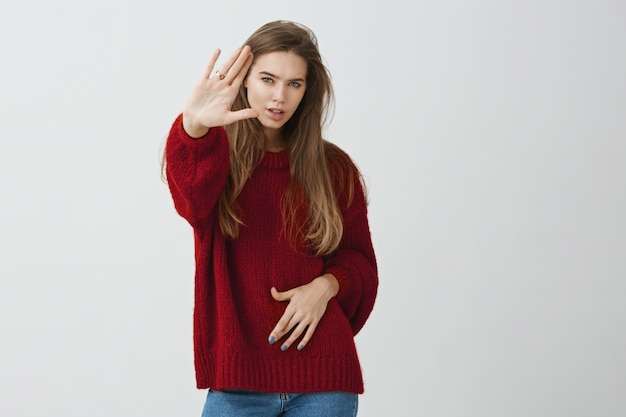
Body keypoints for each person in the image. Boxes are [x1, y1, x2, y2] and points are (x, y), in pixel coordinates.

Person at [163, 20, 378, 416]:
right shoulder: (213, 156)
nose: (280, 96)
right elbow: (190, 202)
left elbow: (361, 263)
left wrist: (328, 285)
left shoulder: (334, 168)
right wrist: (193, 128)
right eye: (267, 79)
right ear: (244, 81)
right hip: (237, 381)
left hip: (324, 377)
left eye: (294, 84)